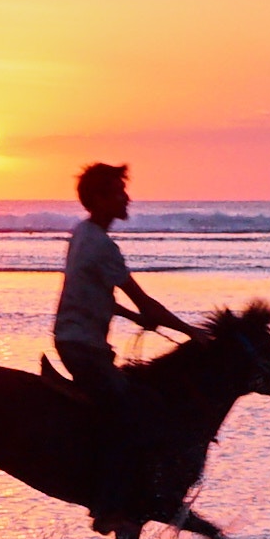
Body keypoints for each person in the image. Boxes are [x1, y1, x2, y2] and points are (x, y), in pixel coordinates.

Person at [51, 160, 188, 407]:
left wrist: (135, 318)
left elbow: (93, 296)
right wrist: (193, 332)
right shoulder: (103, 246)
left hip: (70, 340)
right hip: (85, 348)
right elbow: (147, 304)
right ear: (99, 199)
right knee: (133, 409)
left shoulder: (81, 232)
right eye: (118, 192)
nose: (126, 198)